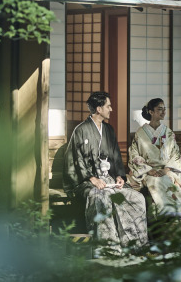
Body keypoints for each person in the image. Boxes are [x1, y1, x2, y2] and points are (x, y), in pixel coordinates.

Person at [63, 91, 148, 253]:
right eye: (108, 106)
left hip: (107, 179)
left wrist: (119, 176)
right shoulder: (81, 130)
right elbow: (77, 159)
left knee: (136, 198)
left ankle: (134, 244)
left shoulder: (108, 129)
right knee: (102, 199)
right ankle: (109, 247)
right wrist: (92, 178)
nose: (111, 109)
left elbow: (115, 155)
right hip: (85, 182)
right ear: (98, 109)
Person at [128, 98, 181, 220]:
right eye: (159, 109)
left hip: (167, 169)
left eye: (164, 109)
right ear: (151, 112)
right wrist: (149, 170)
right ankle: (164, 215)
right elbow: (134, 155)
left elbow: (175, 154)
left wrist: (166, 169)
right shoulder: (140, 133)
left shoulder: (168, 133)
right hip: (148, 171)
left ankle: (178, 213)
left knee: (170, 179)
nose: (163, 112)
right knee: (155, 181)